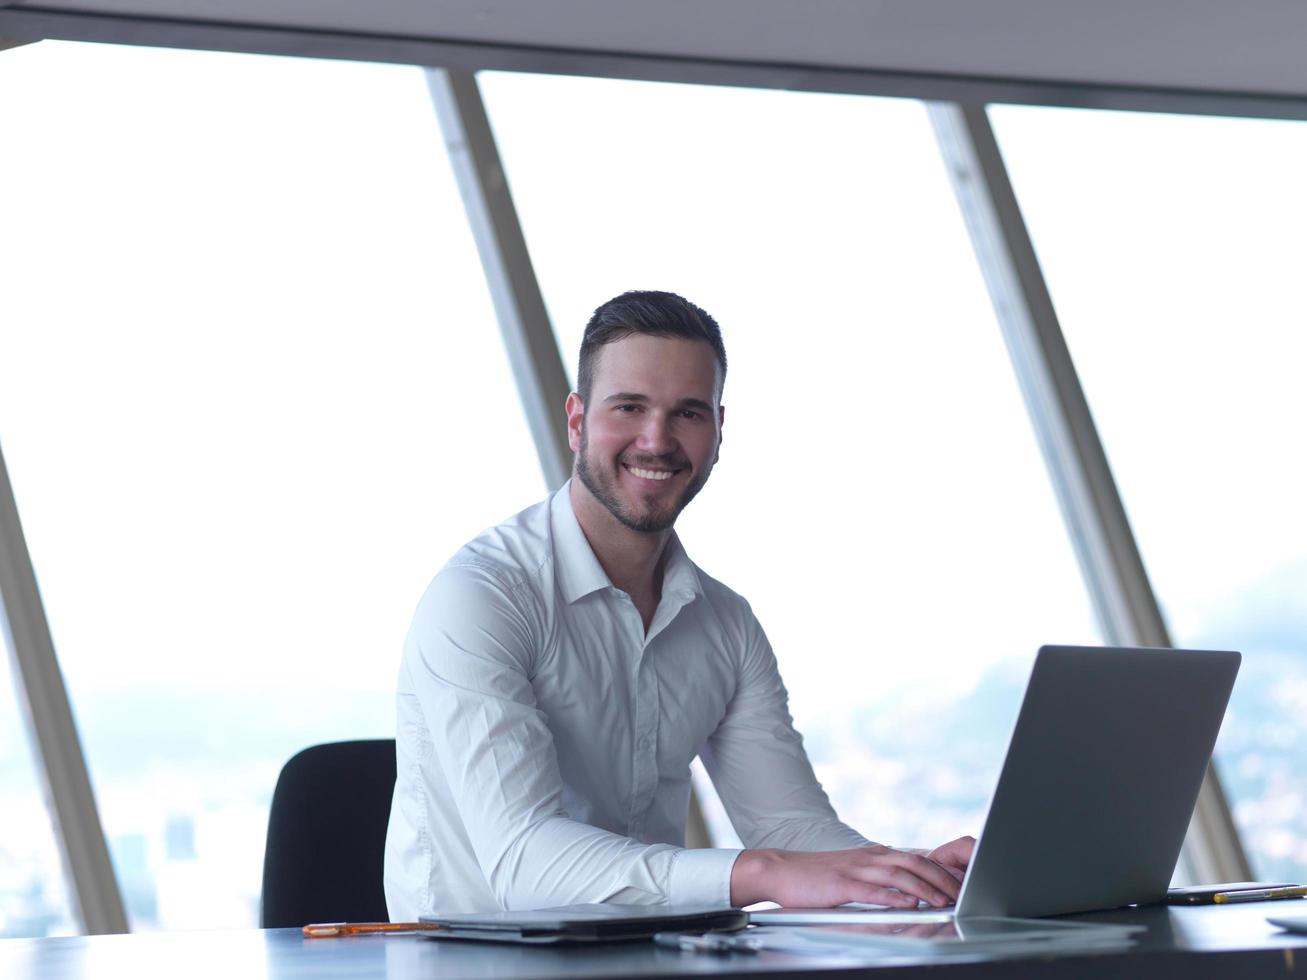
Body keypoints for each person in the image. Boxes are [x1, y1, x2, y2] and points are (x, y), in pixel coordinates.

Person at [383, 290, 973, 918]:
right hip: (468, 962)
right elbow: (524, 864)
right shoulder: (483, 597)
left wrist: (911, 874)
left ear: (719, 432)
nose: (656, 440)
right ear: (577, 420)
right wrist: (764, 873)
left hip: (646, 956)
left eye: (688, 413)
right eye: (629, 407)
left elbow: (790, 831)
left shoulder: (725, 624)